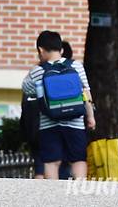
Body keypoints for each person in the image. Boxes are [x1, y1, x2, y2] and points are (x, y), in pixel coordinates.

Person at [22, 31, 96, 180]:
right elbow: (86, 92)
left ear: (41, 50)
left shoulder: (38, 71)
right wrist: (91, 116)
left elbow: (26, 88)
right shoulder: (76, 66)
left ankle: (52, 197)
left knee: (51, 161)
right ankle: (79, 192)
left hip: (49, 124)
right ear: (61, 49)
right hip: (75, 122)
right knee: (78, 159)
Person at [20, 40, 75, 179]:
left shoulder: (36, 73)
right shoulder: (71, 76)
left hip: (37, 130)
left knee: (41, 167)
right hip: (66, 129)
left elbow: (25, 104)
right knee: (62, 168)